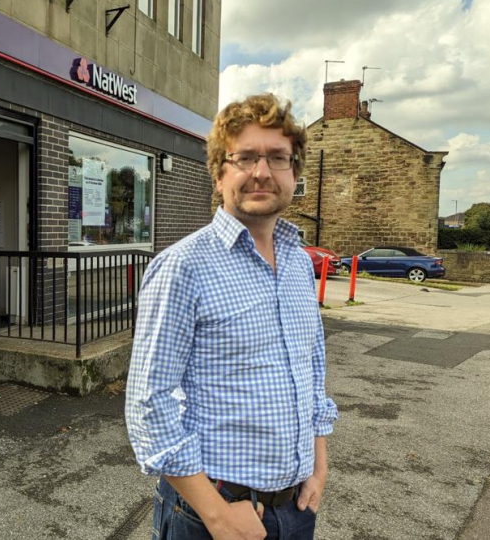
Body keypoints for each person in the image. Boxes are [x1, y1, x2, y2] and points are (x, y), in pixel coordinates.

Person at [125, 94, 338, 540]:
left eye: (277, 158)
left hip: (298, 507)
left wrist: (318, 468)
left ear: (294, 173)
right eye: (245, 157)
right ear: (220, 173)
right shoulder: (183, 267)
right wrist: (218, 515)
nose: (261, 171)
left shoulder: (299, 264)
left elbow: (311, 371)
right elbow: (149, 403)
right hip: (209, 515)